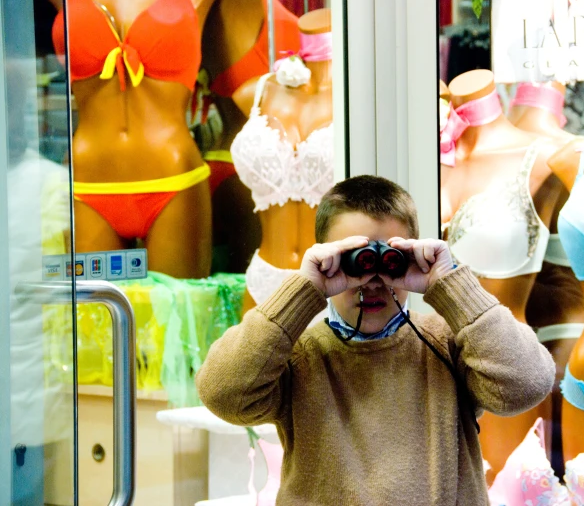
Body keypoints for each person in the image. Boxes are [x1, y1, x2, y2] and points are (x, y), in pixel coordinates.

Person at [196, 175, 556, 505]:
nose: (373, 279)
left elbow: (526, 384)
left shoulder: (448, 343)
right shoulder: (299, 355)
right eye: (356, 260)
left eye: (391, 261)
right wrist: (303, 290)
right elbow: (224, 394)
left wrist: (451, 286)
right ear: (325, 258)